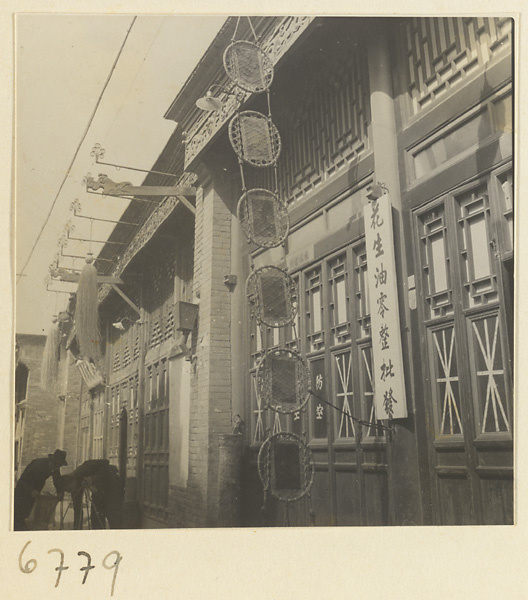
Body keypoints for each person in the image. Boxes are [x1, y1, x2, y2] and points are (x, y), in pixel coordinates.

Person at [60, 459, 124, 529]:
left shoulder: (83, 470)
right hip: (99, 491)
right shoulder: (75, 488)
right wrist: (77, 529)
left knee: (112, 514)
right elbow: (77, 509)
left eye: (69, 489)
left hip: (112, 484)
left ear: (72, 481)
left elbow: (105, 462)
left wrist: (92, 478)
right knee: (95, 516)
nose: (69, 492)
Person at [14, 449, 67, 531]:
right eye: (57, 465)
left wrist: (60, 492)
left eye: (59, 466)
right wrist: (31, 490)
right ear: (52, 461)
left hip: (35, 491)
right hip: (23, 490)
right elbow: (22, 481)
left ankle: (24, 526)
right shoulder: (37, 465)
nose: (57, 467)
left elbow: (57, 480)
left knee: (29, 511)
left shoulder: (55, 467)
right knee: (19, 512)